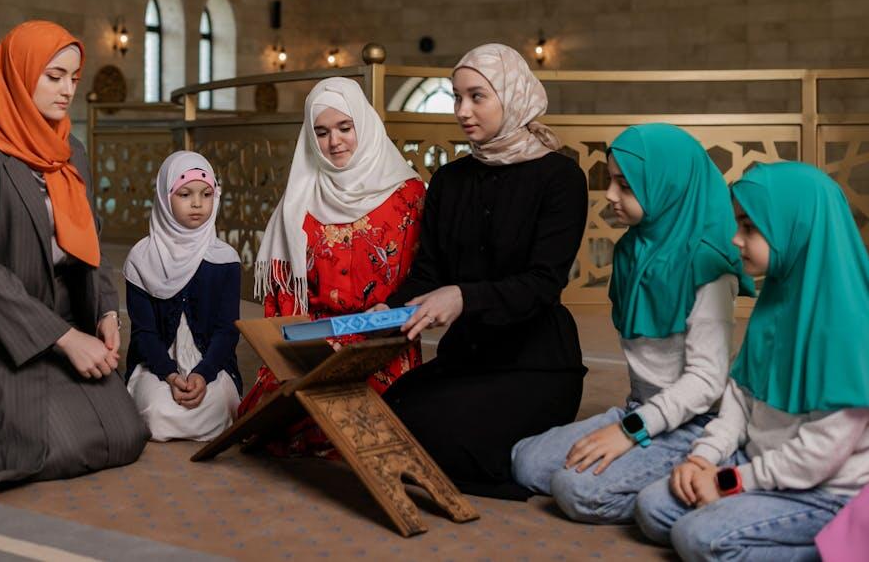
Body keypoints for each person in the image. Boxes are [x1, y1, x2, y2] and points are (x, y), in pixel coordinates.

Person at [0, 20, 147, 499]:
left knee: (125, 434)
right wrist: (64, 339)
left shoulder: (71, 151)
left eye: (73, 79)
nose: (67, 90)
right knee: (55, 446)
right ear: (20, 74)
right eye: (53, 76)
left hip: (63, 322)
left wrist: (104, 312)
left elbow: (89, 241)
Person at [510, 123, 753, 521]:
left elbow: (708, 383)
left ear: (667, 186)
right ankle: (648, 465)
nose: (609, 196)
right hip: (639, 409)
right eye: (611, 181)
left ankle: (705, 470)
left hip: (694, 421)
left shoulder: (707, 264)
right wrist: (629, 424)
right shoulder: (632, 251)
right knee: (526, 461)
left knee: (577, 492)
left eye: (625, 185)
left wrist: (629, 433)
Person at [379, 42, 588, 500]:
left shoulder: (560, 178)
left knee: (439, 436)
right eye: (456, 97)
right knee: (384, 416)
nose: (462, 111)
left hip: (536, 362)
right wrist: (384, 310)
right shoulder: (451, 181)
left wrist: (463, 298)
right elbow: (428, 272)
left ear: (511, 95)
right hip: (468, 357)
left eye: (477, 96)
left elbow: (542, 284)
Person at [634, 161, 869, 559]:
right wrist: (702, 458)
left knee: (697, 539)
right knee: (654, 510)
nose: (735, 239)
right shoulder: (779, 294)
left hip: (823, 489)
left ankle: (841, 544)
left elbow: (816, 456)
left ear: (796, 229)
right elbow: (740, 399)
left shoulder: (848, 326)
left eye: (749, 227)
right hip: (760, 461)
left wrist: (728, 482)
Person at [237, 76, 425, 456]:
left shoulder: (409, 195)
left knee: (369, 424)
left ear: (364, 124)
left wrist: (372, 332)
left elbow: (424, 280)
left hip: (382, 342)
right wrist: (307, 347)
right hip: (316, 343)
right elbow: (286, 298)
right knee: (268, 421)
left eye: (344, 127)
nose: (334, 141)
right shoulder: (299, 200)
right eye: (321, 132)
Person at [124, 151, 242, 441]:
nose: (198, 204)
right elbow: (143, 333)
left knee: (222, 407)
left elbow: (227, 331)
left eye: (206, 194)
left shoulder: (225, 258)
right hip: (158, 365)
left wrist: (203, 373)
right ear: (165, 198)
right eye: (185, 194)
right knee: (155, 411)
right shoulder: (142, 257)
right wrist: (171, 375)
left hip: (210, 364)